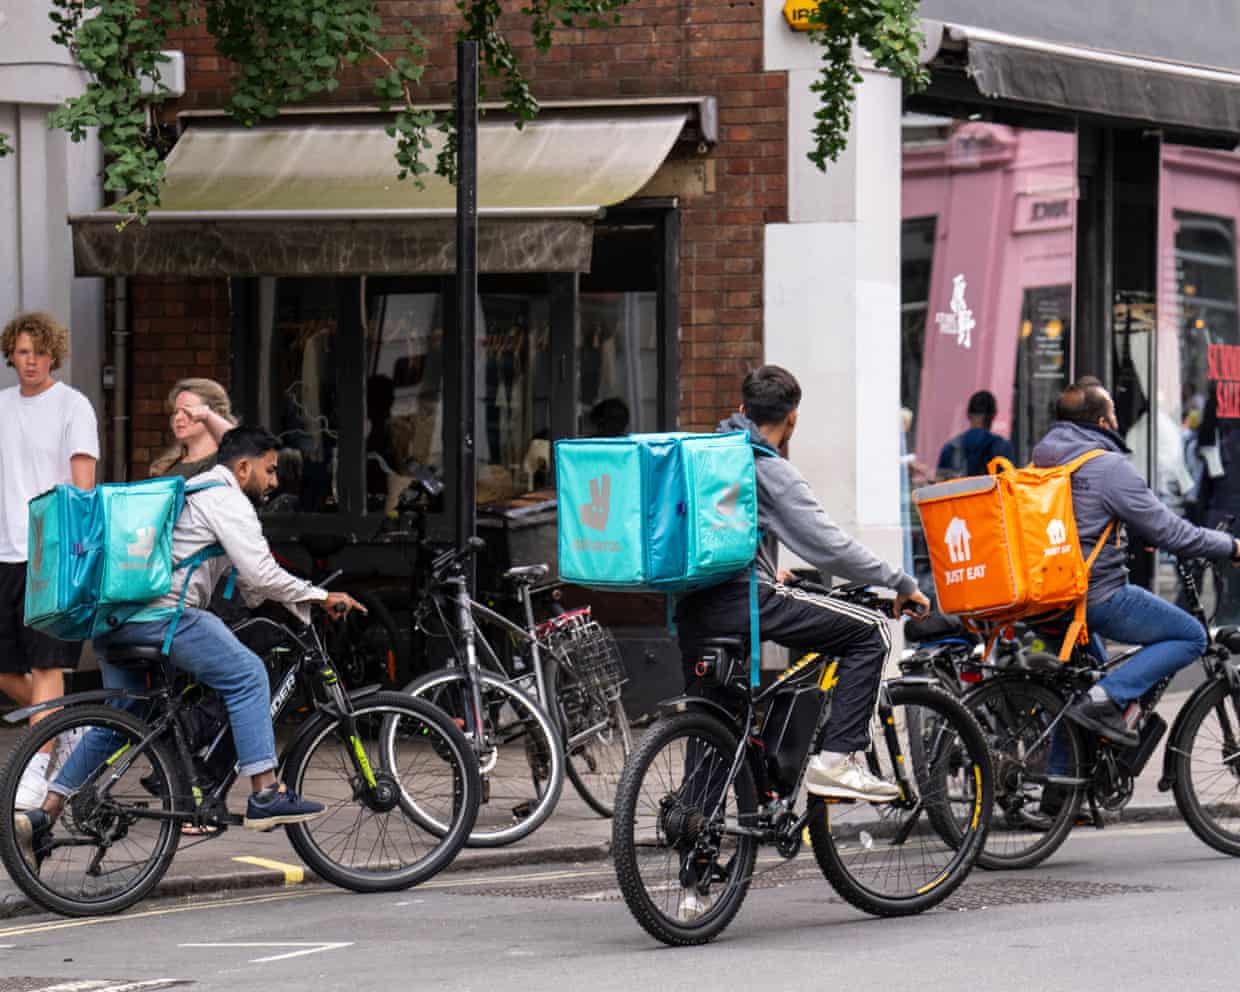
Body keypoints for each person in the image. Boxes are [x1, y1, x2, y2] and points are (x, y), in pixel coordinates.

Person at [16, 427, 367, 858]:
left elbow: (250, 588)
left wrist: (292, 600)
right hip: (163, 617)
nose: (274, 482)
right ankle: (265, 792)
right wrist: (318, 595)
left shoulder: (190, 493)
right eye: (270, 470)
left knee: (124, 716)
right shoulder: (227, 500)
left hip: (114, 622)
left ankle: (43, 814)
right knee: (248, 674)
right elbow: (260, 573)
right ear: (244, 467)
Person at [676, 366, 930, 803]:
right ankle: (837, 762)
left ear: (741, 409)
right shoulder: (769, 468)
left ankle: (695, 834)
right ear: (792, 418)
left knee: (715, 727)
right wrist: (899, 580)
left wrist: (764, 564)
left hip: (693, 606)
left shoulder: (709, 458)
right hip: (746, 602)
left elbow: (713, 533)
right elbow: (830, 548)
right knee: (871, 633)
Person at [1032, 379, 1240, 749]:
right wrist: (1230, 546)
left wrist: (1128, 533)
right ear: (1101, 422)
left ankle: (1061, 795)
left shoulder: (1041, 460)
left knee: (1078, 685)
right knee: (1190, 635)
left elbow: (1078, 519)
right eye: (1112, 413)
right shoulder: (1107, 466)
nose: (1118, 420)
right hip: (1096, 595)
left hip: (1048, 596)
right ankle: (1104, 700)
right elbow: (1175, 534)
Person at [0, 311, 99, 809]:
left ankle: (35, 774)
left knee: (46, 667)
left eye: (38, 352)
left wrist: (71, 550)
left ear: (52, 354)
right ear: (10, 355)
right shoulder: (0, 407)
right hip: (3, 553)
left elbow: (83, 485)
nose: (31, 361)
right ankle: (70, 728)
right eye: (21, 352)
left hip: (51, 555)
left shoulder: (72, 406)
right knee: (5, 669)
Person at [149, 377, 238, 478]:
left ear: (213, 413)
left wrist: (208, 416)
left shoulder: (226, 459)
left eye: (187, 411)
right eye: (176, 412)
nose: (178, 418)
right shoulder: (166, 467)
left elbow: (238, 443)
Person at [936, 390, 1015, 480]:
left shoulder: (950, 448)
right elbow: (1010, 483)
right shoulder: (1003, 447)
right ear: (993, 415)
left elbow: (939, 483)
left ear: (968, 415)